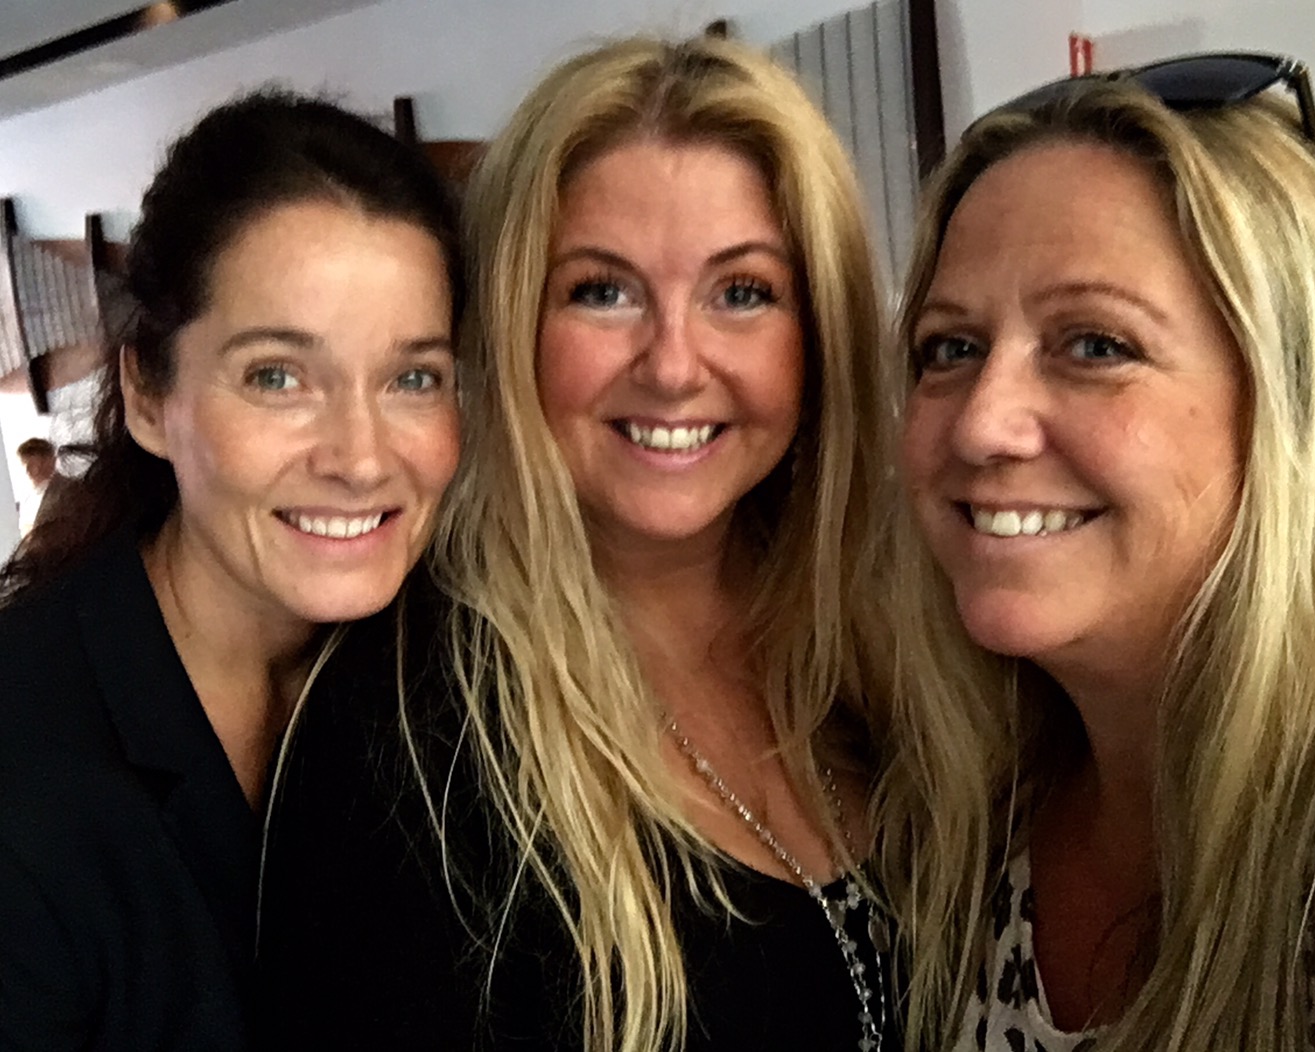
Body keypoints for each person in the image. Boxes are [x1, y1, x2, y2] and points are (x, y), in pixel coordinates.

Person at [258, 35, 945, 1052]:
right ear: (510, 323)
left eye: (741, 292)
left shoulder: (901, 643)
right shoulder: (405, 728)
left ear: (820, 331)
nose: (672, 366)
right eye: (601, 291)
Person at [888, 53, 1315, 1051]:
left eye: (1095, 346)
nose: (982, 423)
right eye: (950, 348)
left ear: (1300, 404)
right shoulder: (960, 818)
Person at [0, 90, 464, 1049]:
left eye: (412, 377)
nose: (361, 458)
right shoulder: (29, 776)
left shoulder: (444, 672)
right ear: (146, 393)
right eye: (276, 377)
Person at [15, 436, 57, 535]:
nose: (28, 470)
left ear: (51, 461)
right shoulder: (28, 498)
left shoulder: (64, 491)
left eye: (34, 464)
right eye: (25, 463)